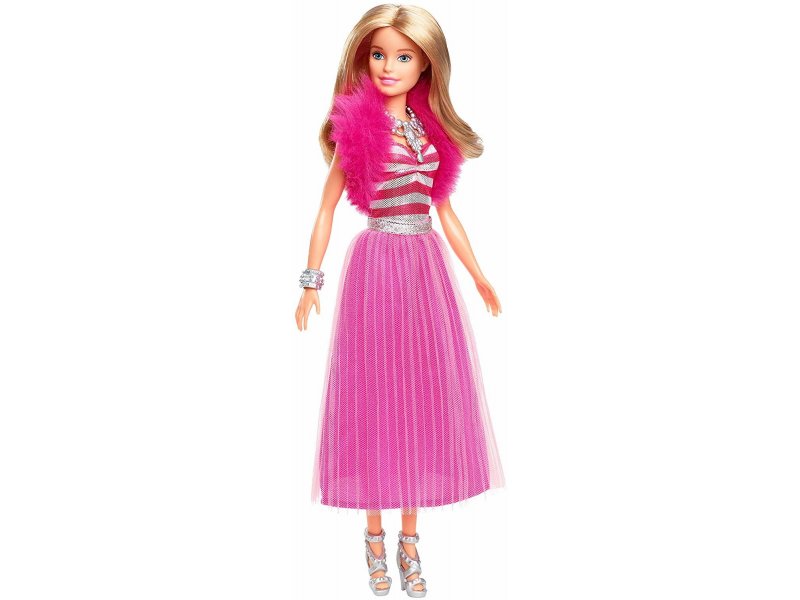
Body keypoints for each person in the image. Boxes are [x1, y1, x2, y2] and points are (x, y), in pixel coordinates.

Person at [295, 4, 505, 597]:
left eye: (403, 56)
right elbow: (325, 208)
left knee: (420, 393)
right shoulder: (357, 130)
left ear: (426, 65)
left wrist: (480, 276)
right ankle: (373, 536)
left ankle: (410, 541)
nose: (388, 66)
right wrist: (310, 281)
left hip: (425, 269)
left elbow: (445, 211)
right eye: (379, 54)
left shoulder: (427, 131)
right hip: (377, 265)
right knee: (374, 394)